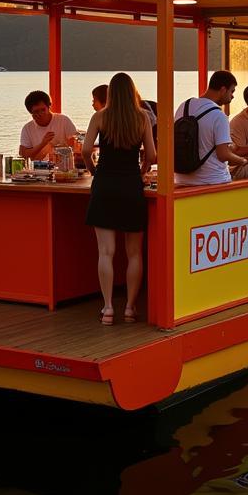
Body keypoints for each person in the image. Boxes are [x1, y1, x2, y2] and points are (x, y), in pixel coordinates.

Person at [82, 73, 156, 326]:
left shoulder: (100, 117)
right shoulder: (142, 117)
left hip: (104, 184)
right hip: (130, 184)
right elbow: (152, 153)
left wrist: (93, 171)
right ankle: (130, 308)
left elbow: (84, 149)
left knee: (106, 251)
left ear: (111, 93)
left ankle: (109, 307)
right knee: (134, 253)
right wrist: (144, 168)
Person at [174, 70, 248, 186]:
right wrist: (243, 160)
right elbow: (223, 154)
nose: (232, 96)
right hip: (213, 180)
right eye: (232, 91)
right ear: (223, 90)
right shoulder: (219, 116)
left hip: (181, 179)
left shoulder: (184, 106)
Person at [19, 90, 77, 161]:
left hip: (64, 166)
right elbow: (24, 154)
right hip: (39, 169)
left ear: (49, 107)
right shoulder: (27, 128)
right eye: (36, 111)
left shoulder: (63, 120)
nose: (41, 114)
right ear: (31, 113)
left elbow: (75, 144)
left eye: (43, 110)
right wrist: (43, 144)